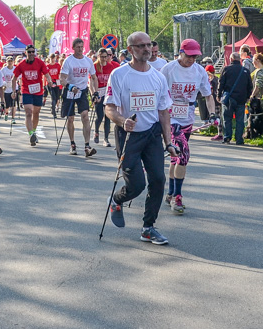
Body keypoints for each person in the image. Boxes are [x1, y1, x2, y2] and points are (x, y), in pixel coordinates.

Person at [104, 31, 178, 245]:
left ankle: (148, 228)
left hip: (152, 134)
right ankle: (116, 200)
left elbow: (164, 112)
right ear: (130, 50)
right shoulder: (119, 74)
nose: (147, 49)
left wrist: (168, 142)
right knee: (136, 185)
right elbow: (109, 108)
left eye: (148, 45)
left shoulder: (158, 77)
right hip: (128, 136)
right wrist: (122, 121)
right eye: (141, 46)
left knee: (158, 180)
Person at [161, 39, 215, 213]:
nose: (191, 59)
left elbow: (208, 95)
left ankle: (170, 192)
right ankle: (177, 197)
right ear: (181, 53)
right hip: (170, 119)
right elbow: (157, 92)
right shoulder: (168, 69)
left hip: (187, 118)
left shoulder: (199, 71)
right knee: (184, 154)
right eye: (189, 56)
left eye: (195, 56)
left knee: (176, 157)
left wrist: (213, 114)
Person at [59, 37, 98, 157]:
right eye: (78, 47)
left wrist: (95, 93)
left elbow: (94, 78)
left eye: (82, 47)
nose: (80, 49)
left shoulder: (88, 61)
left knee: (85, 116)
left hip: (82, 91)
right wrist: (70, 86)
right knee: (70, 118)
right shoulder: (68, 61)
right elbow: (62, 79)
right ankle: (72, 144)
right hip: (70, 91)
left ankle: (87, 146)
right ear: (73, 48)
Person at [12, 45, 51, 146]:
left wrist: (50, 81)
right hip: (26, 91)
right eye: (29, 52)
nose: (31, 54)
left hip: (38, 91)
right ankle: (31, 134)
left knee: (36, 113)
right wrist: (13, 91)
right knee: (28, 112)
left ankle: (33, 131)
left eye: (33, 52)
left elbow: (47, 74)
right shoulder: (21, 64)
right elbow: (14, 79)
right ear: (26, 53)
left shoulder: (40, 62)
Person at [218, 52, 253, 145]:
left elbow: (221, 83)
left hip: (229, 99)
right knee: (240, 120)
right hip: (241, 99)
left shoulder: (226, 69)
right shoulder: (245, 71)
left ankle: (227, 137)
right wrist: (247, 97)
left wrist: (218, 95)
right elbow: (250, 86)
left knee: (227, 118)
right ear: (240, 60)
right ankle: (239, 139)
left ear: (231, 59)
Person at [91, 48, 119, 147]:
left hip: (108, 93)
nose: (104, 59)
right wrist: (94, 94)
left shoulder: (111, 66)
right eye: (102, 57)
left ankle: (106, 139)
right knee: (99, 116)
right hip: (98, 92)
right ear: (98, 56)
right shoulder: (94, 66)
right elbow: (91, 82)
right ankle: (96, 131)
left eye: (105, 57)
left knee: (108, 116)